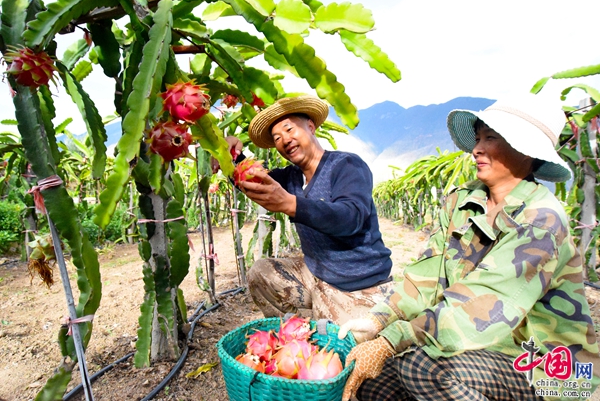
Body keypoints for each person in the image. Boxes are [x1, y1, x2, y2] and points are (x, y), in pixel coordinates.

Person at [337, 94, 600, 400]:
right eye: (478, 138)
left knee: (422, 368)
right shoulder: (463, 201)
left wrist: (393, 339)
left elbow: (481, 305)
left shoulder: (540, 221)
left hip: (542, 365)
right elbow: (427, 277)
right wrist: (378, 321)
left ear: (527, 151)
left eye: (491, 138)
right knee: (375, 383)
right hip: (483, 347)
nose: (477, 149)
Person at [225, 95, 395, 325]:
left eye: (289, 129)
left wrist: (290, 204)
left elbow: (350, 217)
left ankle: (339, 315)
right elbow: (254, 182)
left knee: (338, 351)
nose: (285, 140)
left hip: (358, 282)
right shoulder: (291, 177)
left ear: (311, 127)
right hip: (316, 272)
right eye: (277, 137)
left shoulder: (347, 165)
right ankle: (294, 328)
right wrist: (231, 154)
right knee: (261, 273)